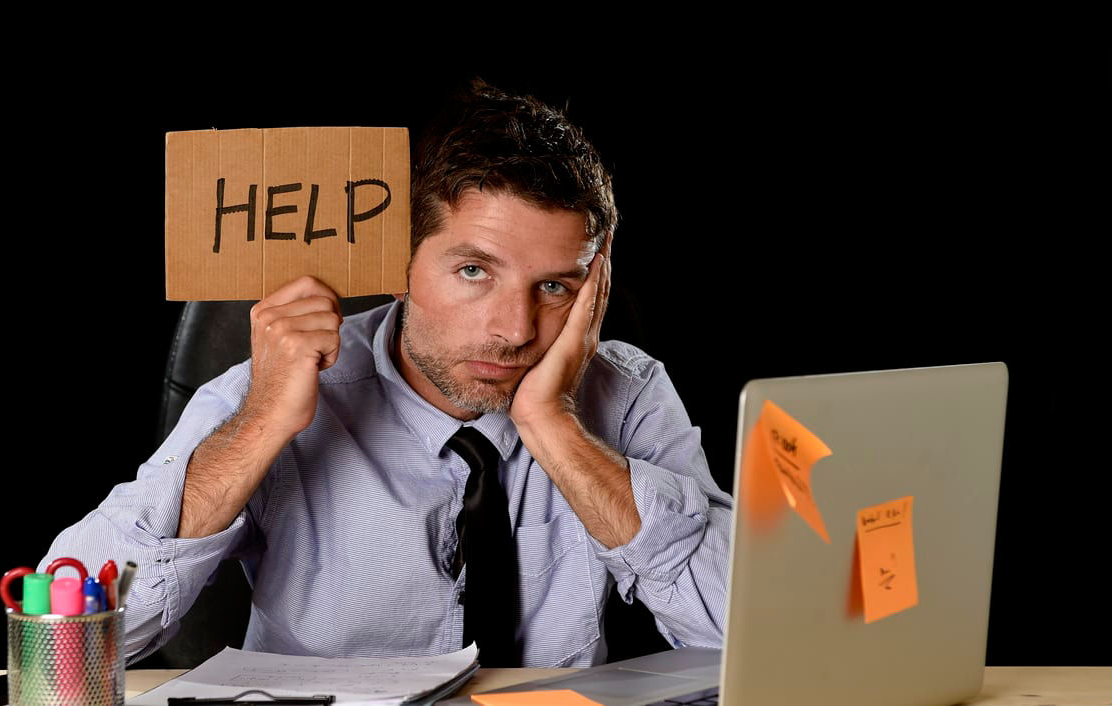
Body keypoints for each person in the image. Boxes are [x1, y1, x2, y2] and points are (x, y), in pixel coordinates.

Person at [39, 79, 733, 668]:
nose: (515, 329)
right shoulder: (271, 390)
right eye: (472, 271)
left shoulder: (627, 389)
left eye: (555, 288)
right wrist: (261, 425)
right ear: (397, 264)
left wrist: (553, 426)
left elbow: (742, 634)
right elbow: (62, 649)